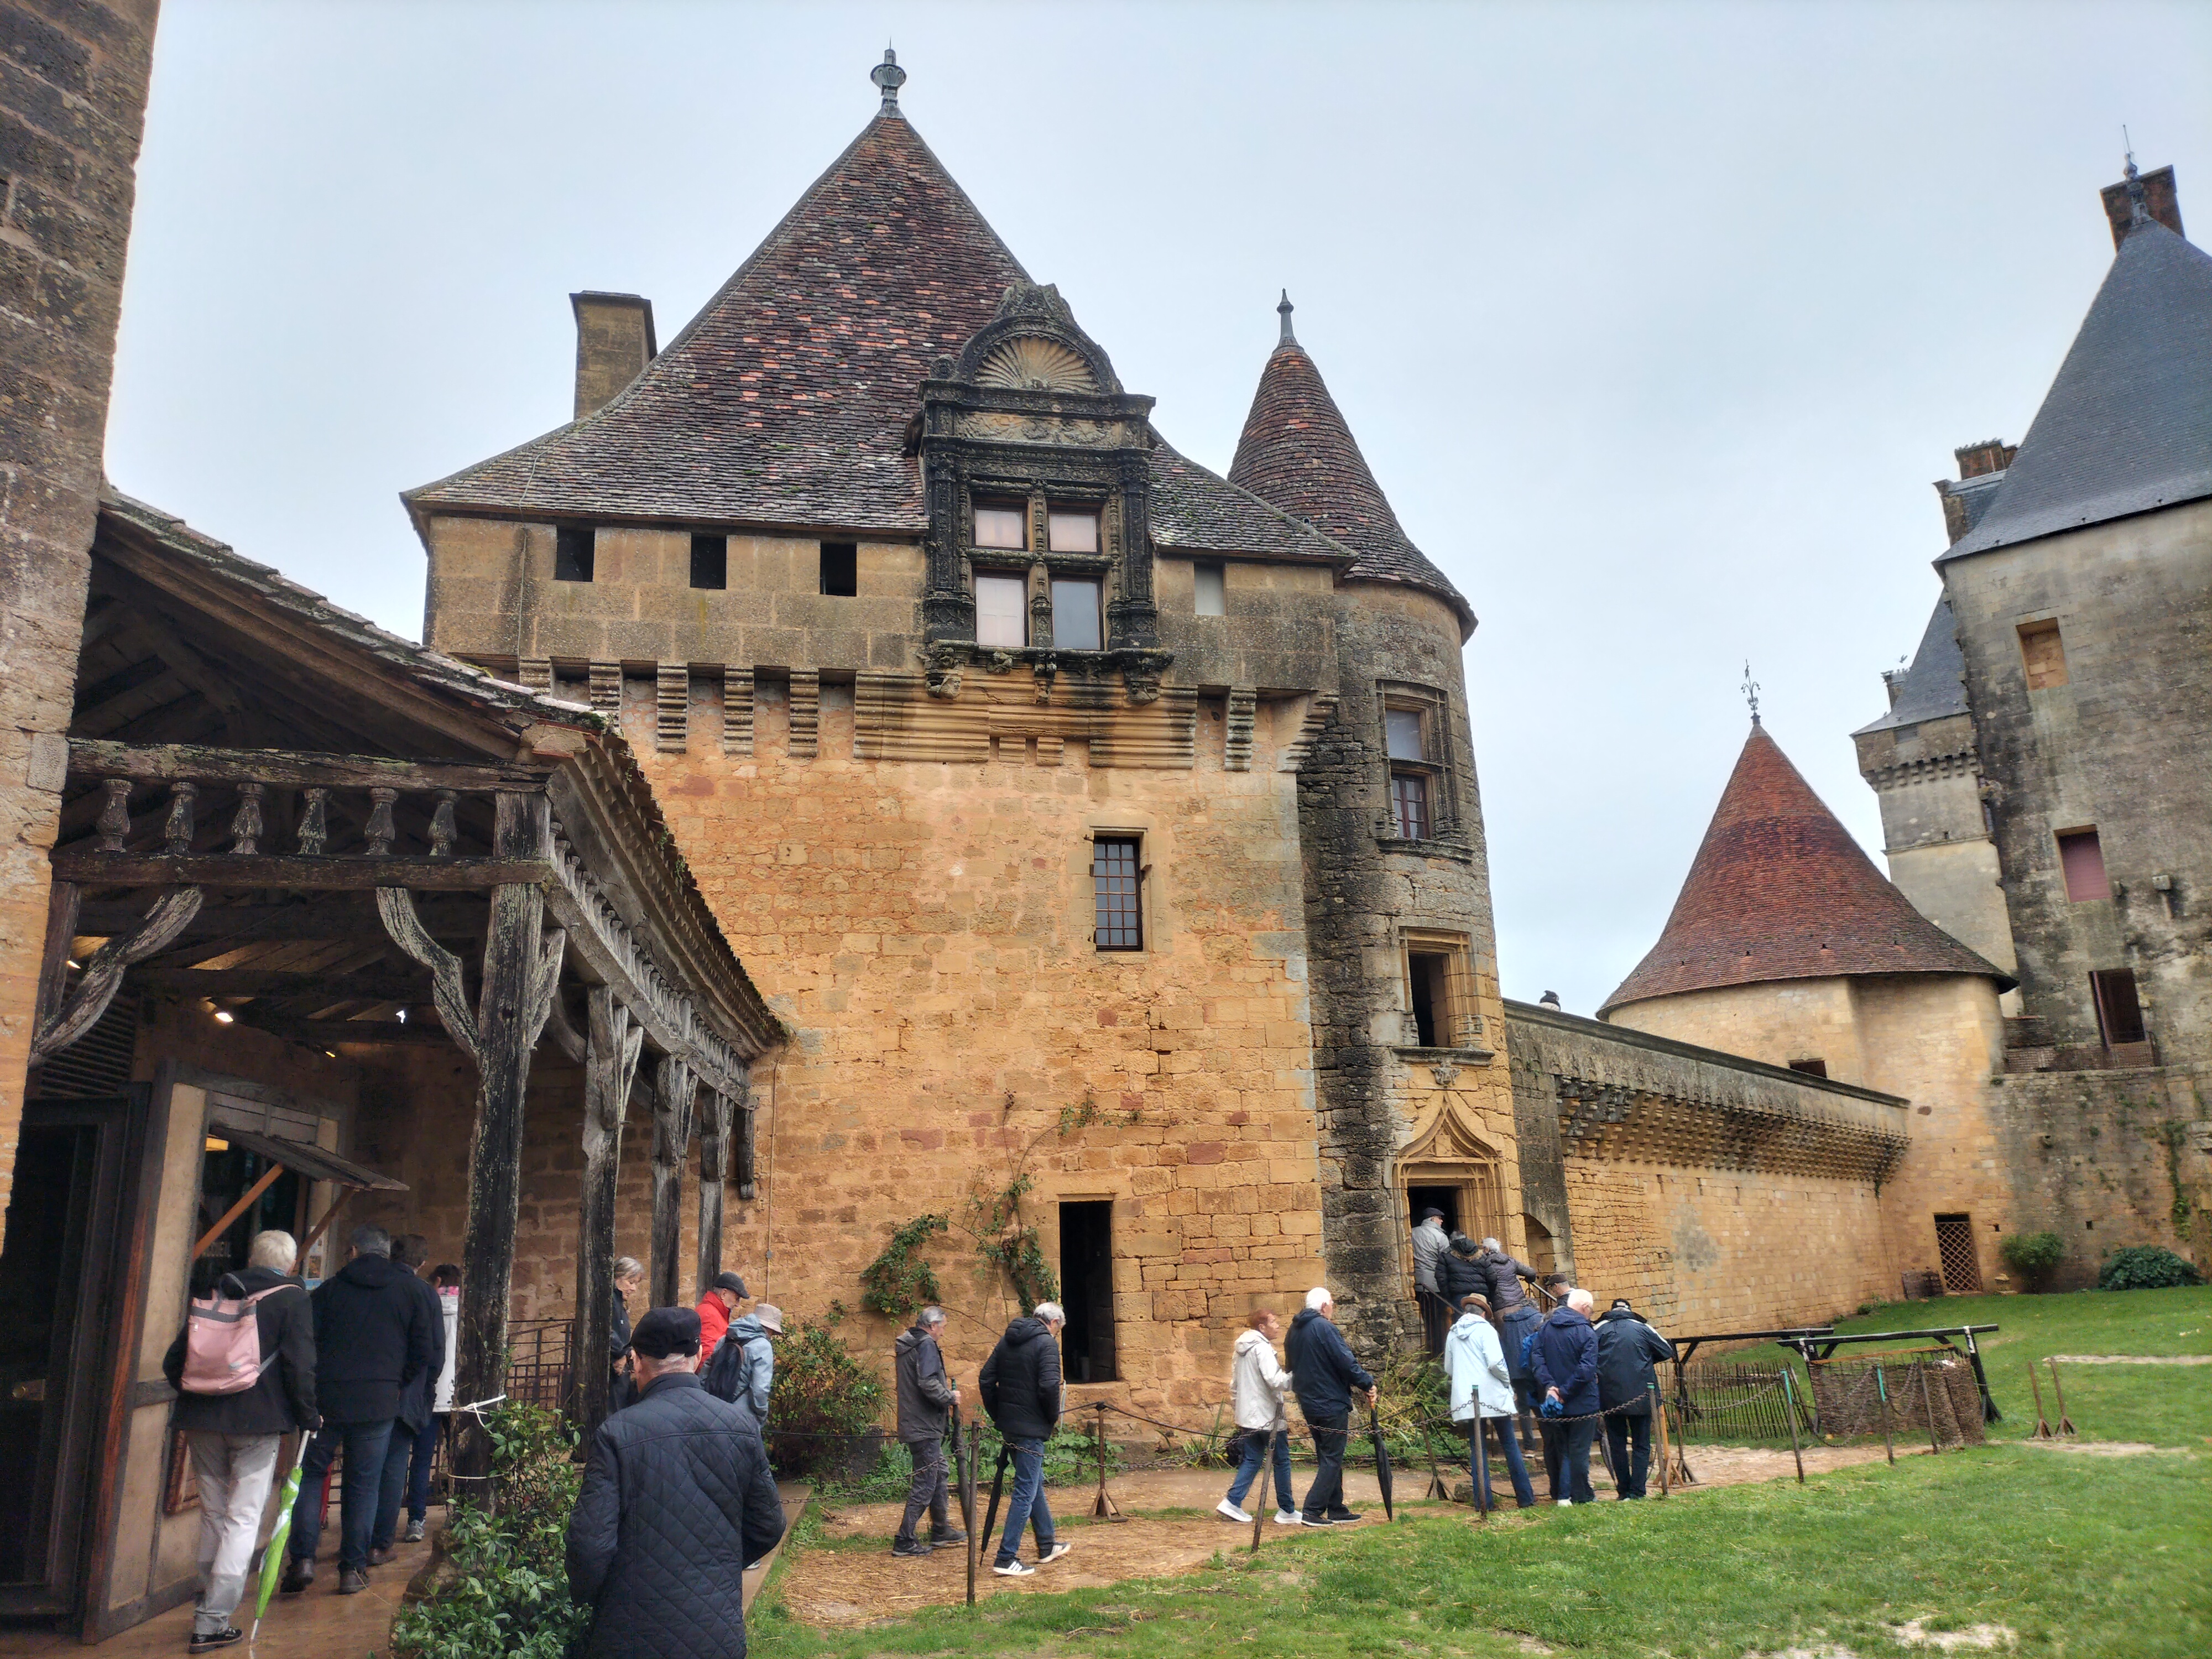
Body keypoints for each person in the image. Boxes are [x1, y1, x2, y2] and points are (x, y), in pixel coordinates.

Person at [565, 1307, 786, 1659]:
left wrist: (593, 1600)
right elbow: (769, 1524)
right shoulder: (741, 1427)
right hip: (718, 1631)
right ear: (699, 1356)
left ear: (636, 1361)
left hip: (633, 1630)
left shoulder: (616, 1434)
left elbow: (589, 1545)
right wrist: (718, 1564)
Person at [161, 1229, 317, 1652]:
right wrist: (309, 1417)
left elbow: (173, 1360)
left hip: (202, 1419)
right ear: (288, 1264)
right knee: (243, 1519)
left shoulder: (220, 1289)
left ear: (252, 1257)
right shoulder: (292, 1298)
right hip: (257, 1424)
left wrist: (202, 1392)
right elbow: (300, 1368)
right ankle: (211, 1622)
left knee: (213, 1515)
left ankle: (205, 1604)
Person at [281, 1224, 437, 1595]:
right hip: (379, 1401)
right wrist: (398, 1382)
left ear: (351, 1252)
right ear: (387, 1253)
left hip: (327, 1399)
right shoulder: (412, 1291)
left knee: (313, 1476)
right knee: (364, 1485)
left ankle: (303, 1559)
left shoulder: (328, 1292)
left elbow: (307, 1344)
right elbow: (423, 1351)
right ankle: (352, 1569)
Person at [978, 1300, 1072, 1577]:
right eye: (1059, 1329)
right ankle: (1006, 1558)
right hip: (1030, 1429)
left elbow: (986, 1379)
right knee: (1025, 1491)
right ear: (1054, 1323)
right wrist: (1051, 1418)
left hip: (1012, 1426)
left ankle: (1047, 1544)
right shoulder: (1047, 1345)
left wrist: (1000, 1415)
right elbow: (1048, 1386)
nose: (1057, 1333)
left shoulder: (1008, 1340)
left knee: (1032, 1484)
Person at [369, 1234, 446, 1563]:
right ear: (422, 1263)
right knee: (394, 1467)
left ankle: (356, 1544)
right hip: (406, 1393)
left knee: (365, 1469)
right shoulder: (425, 1293)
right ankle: (379, 1543)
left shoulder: (373, 1288)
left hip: (369, 1387)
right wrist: (421, 1383)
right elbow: (434, 1351)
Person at [1284, 1286, 1376, 1528]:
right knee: (1332, 1458)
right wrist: (1367, 1383)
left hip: (1309, 1401)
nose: (1333, 1308)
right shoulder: (1325, 1327)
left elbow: (1290, 1366)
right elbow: (1346, 1361)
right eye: (1332, 1304)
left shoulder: (1294, 1330)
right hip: (1329, 1402)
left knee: (1327, 1456)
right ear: (1325, 1306)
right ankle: (1312, 1510)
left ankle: (1336, 1507)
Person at [1440, 1292, 1535, 1510]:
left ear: (1466, 1312)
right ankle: (1525, 1498)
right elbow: (1495, 1363)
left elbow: (1448, 1368)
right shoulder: (1486, 1330)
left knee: (1478, 1449)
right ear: (1483, 1313)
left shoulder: (1453, 1333)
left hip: (1468, 1399)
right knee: (1510, 1445)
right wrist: (1507, 1382)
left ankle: (1483, 1502)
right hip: (1493, 1395)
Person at [890, 1307, 967, 1557]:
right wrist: (950, 1397)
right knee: (926, 1481)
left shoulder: (910, 1344)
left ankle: (941, 1529)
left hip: (917, 1422)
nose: (943, 1332)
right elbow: (928, 1383)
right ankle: (905, 1539)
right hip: (923, 1425)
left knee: (939, 1472)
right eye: (943, 1327)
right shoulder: (925, 1345)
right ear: (933, 1326)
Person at [1215, 1309, 1297, 1526]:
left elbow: (1234, 1386)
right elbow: (1275, 1380)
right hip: (1267, 1417)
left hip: (1248, 1417)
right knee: (1281, 1461)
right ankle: (1287, 1510)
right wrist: (1294, 1377)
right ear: (1262, 1327)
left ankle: (1232, 1502)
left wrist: (1239, 1410)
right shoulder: (1262, 1348)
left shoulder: (1241, 1350)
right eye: (1274, 1322)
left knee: (1252, 1459)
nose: (1278, 1326)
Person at [1595, 1298, 1677, 1499]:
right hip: (1642, 1395)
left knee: (1617, 1444)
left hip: (1611, 1396)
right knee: (1641, 1444)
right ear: (1630, 1311)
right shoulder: (1642, 1327)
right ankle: (1638, 1491)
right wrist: (1646, 1359)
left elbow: (1587, 1354)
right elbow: (1667, 1350)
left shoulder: (1599, 1329)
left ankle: (1623, 1491)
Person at [1532, 1288, 1600, 1506]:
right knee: (1579, 1451)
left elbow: (1537, 1359)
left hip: (1554, 1401)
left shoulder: (1546, 1329)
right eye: (1590, 1310)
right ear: (1584, 1308)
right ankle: (1579, 1496)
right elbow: (1587, 1370)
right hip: (1582, 1402)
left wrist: (1551, 1387)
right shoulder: (1587, 1332)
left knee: (1563, 1450)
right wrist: (1564, 1391)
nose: (1591, 1314)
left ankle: (1564, 1495)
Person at [707, 1302, 781, 1423]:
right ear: (769, 1329)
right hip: (741, 1417)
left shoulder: (725, 1339)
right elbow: (760, 1390)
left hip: (712, 1410)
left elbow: (707, 1369)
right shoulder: (763, 1346)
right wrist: (761, 1416)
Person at [1408, 1208, 1449, 1353]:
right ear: (1432, 1219)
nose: (1442, 1221)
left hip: (1417, 1283)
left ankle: (1426, 1350)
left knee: (1424, 1318)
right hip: (1435, 1285)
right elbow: (1446, 1261)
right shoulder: (1440, 1237)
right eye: (1439, 1218)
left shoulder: (1411, 1232)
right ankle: (1438, 1351)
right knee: (1438, 1319)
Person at [696, 1270, 747, 1367]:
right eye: (737, 1299)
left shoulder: (713, 1311)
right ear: (723, 1294)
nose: (737, 1304)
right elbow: (706, 1355)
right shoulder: (710, 1314)